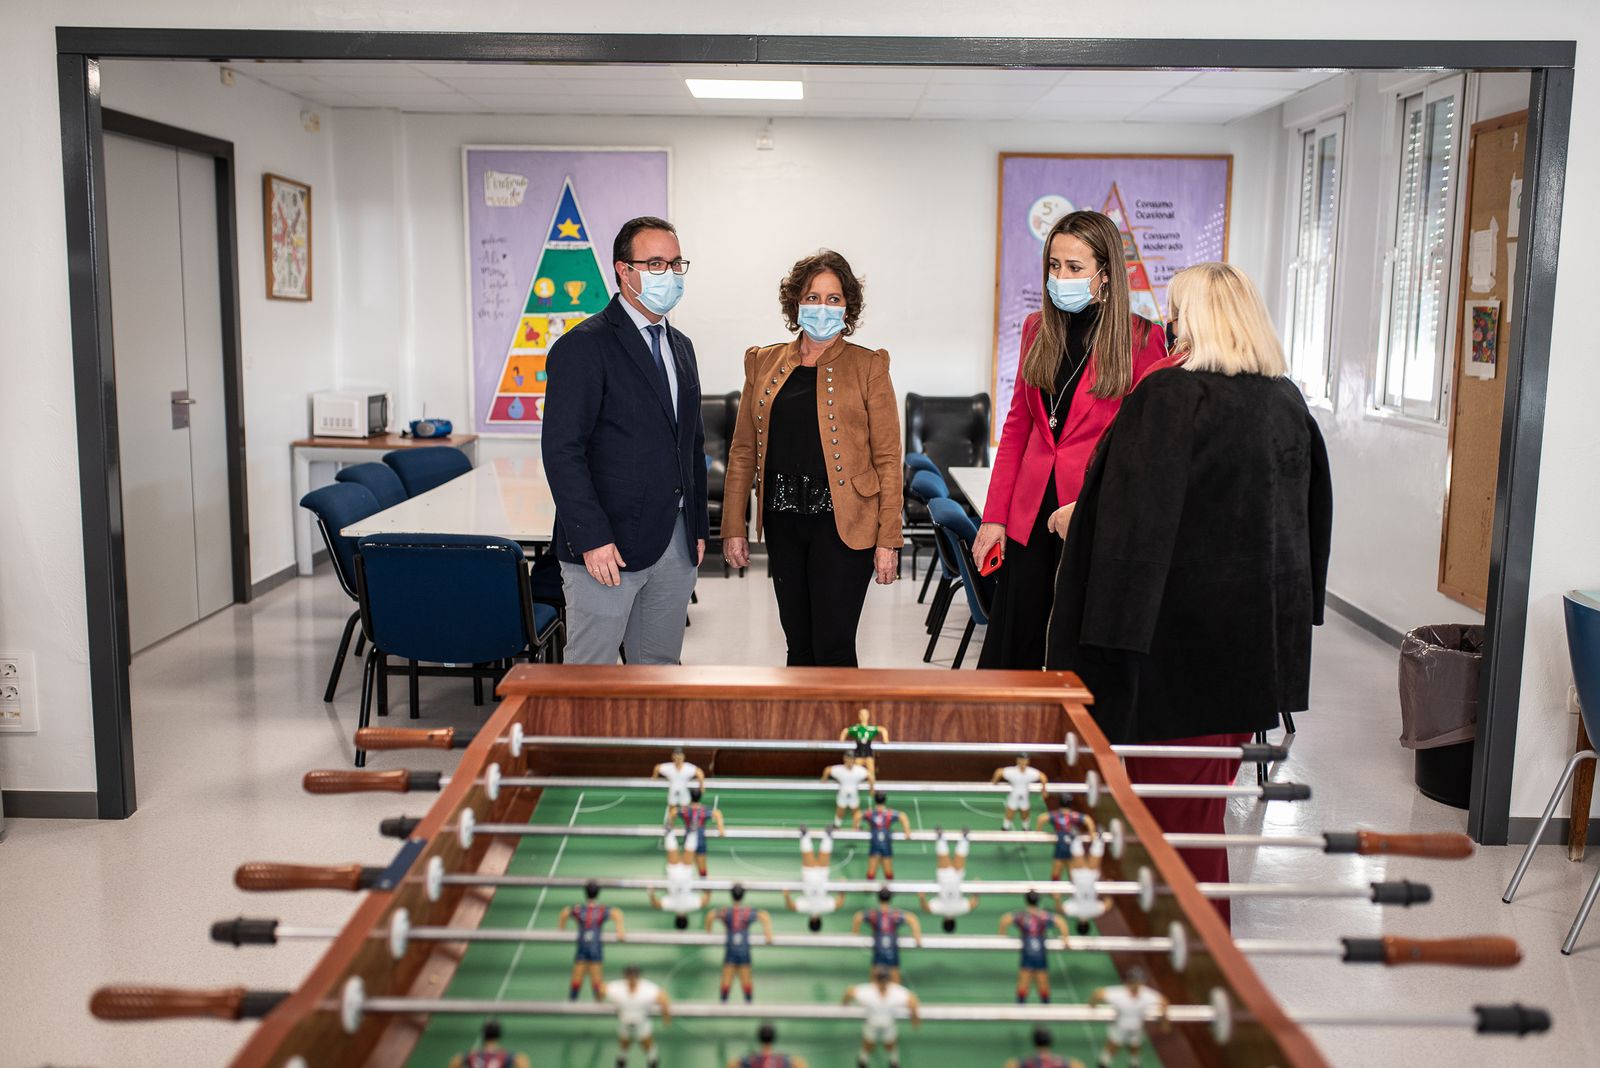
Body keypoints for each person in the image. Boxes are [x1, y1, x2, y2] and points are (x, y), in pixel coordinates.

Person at [1045, 262, 1332, 923]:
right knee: (1197, 816)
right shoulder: (1286, 404)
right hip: (1245, 657)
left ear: (1192, 320)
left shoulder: (1171, 398)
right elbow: (1304, 532)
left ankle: (1186, 967)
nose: (1166, 325)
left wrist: (1081, 520)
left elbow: (1132, 527)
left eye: (1173, 311)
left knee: (1162, 825)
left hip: (1168, 659)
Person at [974, 210, 1174, 671]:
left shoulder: (1144, 339)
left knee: (1077, 650)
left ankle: (1072, 740)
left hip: (1091, 510)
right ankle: (1013, 740)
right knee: (1016, 647)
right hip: (1030, 510)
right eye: (1054, 266)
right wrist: (995, 517)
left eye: (1075, 268)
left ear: (1105, 276)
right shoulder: (1035, 330)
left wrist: (1097, 504)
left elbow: (1142, 444)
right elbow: (1017, 427)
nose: (1060, 276)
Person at [722, 250, 903, 666]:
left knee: (835, 646)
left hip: (844, 524)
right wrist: (734, 525)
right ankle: (802, 731)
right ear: (796, 303)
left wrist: (888, 538)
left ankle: (842, 731)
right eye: (813, 297)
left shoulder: (869, 366)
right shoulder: (761, 361)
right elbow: (743, 451)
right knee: (798, 645)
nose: (823, 307)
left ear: (847, 307)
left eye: (834, 299)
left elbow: (889, 458)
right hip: (783, 521)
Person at [542, 216, 708, 665]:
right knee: (591, 677)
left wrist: (696, 527)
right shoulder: (584, 346)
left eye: (676, 264)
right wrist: (591, 537)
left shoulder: (682, 346)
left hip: (674, 542)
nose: (669, 275)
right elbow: (562, 451)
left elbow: (691, 444)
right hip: (606, 546)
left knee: (659, 672)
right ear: (623, 270)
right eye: (655, 263)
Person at [558, 879, 625, 1000]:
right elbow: (617, 913)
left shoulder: (579, 910)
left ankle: (573, 1003)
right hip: (595, 949)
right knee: (596, 981)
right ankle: (596, 1003)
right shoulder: (601, 910)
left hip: (583, 949)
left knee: (577, 979)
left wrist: (561, 929)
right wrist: (619, 930)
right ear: (598, 893)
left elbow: (564, 912)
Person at [707, 883, 775, 1002]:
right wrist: (768, 933)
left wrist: (709, 931)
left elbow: (711, 915)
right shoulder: (747, 912)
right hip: (743, 950)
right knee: (746, 979)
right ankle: (748, 1004)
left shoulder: (726, 912)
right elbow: (764, 916)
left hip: (731, 951)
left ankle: (723, 1004)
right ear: (743, 896)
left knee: (726, 979)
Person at [1090, 967, 1168, 1068]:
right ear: (1129, 981)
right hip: (1120, 1027)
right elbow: (1098, 994)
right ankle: (1103, 1064)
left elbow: (1164, 1001)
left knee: (1135, 1047)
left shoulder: (1147, 994)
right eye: (1135, 981)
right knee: (1113, 1046)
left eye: (1140, 981)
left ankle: (1134, 1064)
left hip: (1136, 1028)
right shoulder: (1118, 993)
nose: (1138, 984)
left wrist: (1164, 1018)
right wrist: (1092, 1006)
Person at [843, 966, 920, 1068]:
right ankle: (863, 1061)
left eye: (884, 980)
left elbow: (912, 999)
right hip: (872, 1024)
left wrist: (914, 1018)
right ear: (876, 980)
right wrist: (844, 1003)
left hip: (888, 1025)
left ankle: (894, 1062)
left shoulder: (896, 991)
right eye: (880, 980)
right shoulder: (868, 990)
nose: (882, 984)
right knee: (868, 1044)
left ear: (888, 980)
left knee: (890, 1045)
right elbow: (849, 992)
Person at [999, 891, 1068, 1003]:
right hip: (1040, 954)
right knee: (1043, 984)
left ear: (1026, 900)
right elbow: (1061, 922)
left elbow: (1005, 919)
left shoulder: (1021, 916)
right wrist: (1065, 938)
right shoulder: (1044, 917)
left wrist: (1002, 934)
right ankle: (1045, 1010)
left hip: (1027, 954)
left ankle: (1020, 1008)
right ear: (1038, 901)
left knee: (1023, 983)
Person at [604, 964, 671, 1067]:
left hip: (641, 1024)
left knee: (649, 1049)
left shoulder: (647, 988)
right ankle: (622, 1061)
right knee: (623, 1049)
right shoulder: (617, 987)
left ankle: (652, 1062)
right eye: (629, 975)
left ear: (638, 976)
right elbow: (602, 988)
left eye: (634, 975)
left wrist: (666, 1016)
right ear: (625, 976)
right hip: (625, 1024)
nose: (632, 978)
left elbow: (663, 997)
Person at [851, 887, 923, 983]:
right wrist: (917, 938)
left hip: (879, 952)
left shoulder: (873, 914)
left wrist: (855, 934)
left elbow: (857, 917)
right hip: (892, 952)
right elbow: (913, 919)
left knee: (874, 985)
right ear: (890, 898)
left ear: (878, 898)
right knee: (896, 984)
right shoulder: (895, 914)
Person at [785, 827, 846, 931]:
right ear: (810, 921)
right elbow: (792, 907)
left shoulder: (825, 909)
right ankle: (805, 835)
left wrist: (842, 888)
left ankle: (827, 836)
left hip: (821, 877)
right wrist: (786, 895)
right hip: (809, 877)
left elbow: (839, 904)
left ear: (820, 921)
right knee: (808, 854)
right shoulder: (806, 909)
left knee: (824, 854)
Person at [918, 829, 976, 932]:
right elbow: (926, 908)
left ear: (955, 922)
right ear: (943, 921)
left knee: (960, 856)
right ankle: (940, 837)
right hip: (944, 878)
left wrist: (976, 890)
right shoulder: (939, 910)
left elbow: (973, 904)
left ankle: (964, 838)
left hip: (957, 878)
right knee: (943, 856)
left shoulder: (960, 910)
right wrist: (922, 897)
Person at [649, 830, 710, 928]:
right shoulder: (671, 906)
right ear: (675, 919)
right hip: (673, 873)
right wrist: (651, 892)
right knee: (671, 845)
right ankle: (669, 831)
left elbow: (705, 901)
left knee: (690, 844)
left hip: (686, 873)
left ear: (687, 918)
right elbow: (656, 904)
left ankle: (693, 830)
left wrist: (707, 888)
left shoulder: (691, 906)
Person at [1037, 795, 1098, 881]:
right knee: (1072, 871)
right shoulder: (1073, 816)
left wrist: (1039, 832)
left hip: (1061, 846)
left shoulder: (1056, 816)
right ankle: (1074, 890)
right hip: (1072, 847)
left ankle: (1055, 893)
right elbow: (1088, 820)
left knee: (1056, 873)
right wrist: (1092, 834)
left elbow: (1041, 818)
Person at [855, 792, 912, 880]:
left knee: (871, 873)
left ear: (875, 801)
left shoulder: (870, 813)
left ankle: (870, 888)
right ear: (885, 801)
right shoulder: (889, 813)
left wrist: (856, 828)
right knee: (888, 873)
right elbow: (903, 816)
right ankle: (888, 890)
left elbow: (857, 815)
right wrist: (907, 831)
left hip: (874, 844)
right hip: (886, 845)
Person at [1060, 837, 1111, 936]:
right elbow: (1061, 909)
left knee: (1098, 846)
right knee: (1076, 846)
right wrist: (1057, 898)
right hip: (1077, 877)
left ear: (1089, 924)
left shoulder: (1095, 912)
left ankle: (1099, 839)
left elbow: (1108, 904)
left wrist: (1108, 891)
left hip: (1092, 877)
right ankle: (1075, 838)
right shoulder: (1072, 911)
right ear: (1077, 924)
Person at [672, 786, 726, 876]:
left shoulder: (685, 810)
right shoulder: (704, 810)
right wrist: (721, 829)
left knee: (684, 867)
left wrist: (671, 824)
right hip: (700, 842)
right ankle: (706, 889)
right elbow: (717, 813)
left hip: (688, 843)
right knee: (702, 871)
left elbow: (673, 812)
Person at [992, 753, 1048, 830]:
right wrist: (994, 782)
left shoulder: (1031, 772)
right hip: (1014, 796)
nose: (1023, 762)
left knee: (1025, 814)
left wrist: (1044, 789)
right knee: (1010, 813)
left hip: (1024, 797)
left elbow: (1043, 777)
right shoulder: (1012, 771)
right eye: (1021, 760)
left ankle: (1026, 828)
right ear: (1017, 761)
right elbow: (998, 772)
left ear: (1028, 761)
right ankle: (1005, 828)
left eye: (1025, 761)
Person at [448, 1019, 531, 1068]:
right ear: (499, 1035)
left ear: (483, 1035)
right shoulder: (504, 1056)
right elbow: (522, 1061)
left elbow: (456, 1060)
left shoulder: (472, 1056)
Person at [651, 747, 704, 821]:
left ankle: (688, 826)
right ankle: (670, 827)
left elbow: (699, 772)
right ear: (673, 757)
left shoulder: (688, 767)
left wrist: (701, 785)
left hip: (683, 792)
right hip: (673, 791)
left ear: (683, 757)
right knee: (672, 809)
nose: (678, 757)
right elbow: (657, 767)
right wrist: (654, 778)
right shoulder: (668, 767)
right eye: (676, 755)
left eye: (680, 756)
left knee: (687, 811)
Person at [824, 750, 874, 828]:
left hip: (854, 795)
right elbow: (827, 770)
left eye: (851, 758)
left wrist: (871, 789)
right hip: (842, 794)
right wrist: (824, 781)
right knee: (840, 810)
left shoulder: (859, 770)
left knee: (856, 812)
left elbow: (870, 776)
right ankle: (836, 825)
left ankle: (857, 826)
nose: (849, 760)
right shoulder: (839, 769)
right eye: (848, 758)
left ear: (854, 759)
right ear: (844, 758)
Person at [729, 1022, 809, 1068]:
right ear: (774, 1037)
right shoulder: (785, 1060)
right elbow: (801, 1064)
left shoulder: (749, 1060)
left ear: (759, 1037)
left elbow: (732, 1064)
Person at [840, 708, 888, 776]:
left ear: (868, 716)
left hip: (869, 754)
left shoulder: (871, 728)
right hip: (858, 754)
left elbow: (883, 729)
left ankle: (872, 786)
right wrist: (841, 742)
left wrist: (885, 739)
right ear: (859, 716)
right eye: (861, 714)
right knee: (856, 772)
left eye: (865, 714)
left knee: (871, 772)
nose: (863, 716)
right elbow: (845, 731)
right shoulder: (856, 728)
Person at [1003, 1028, 1082, 1068]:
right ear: (1050, 1041)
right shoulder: (1068, 1063)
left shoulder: (1021, 1063)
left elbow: (1010, 1065)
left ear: (1034, 1042)